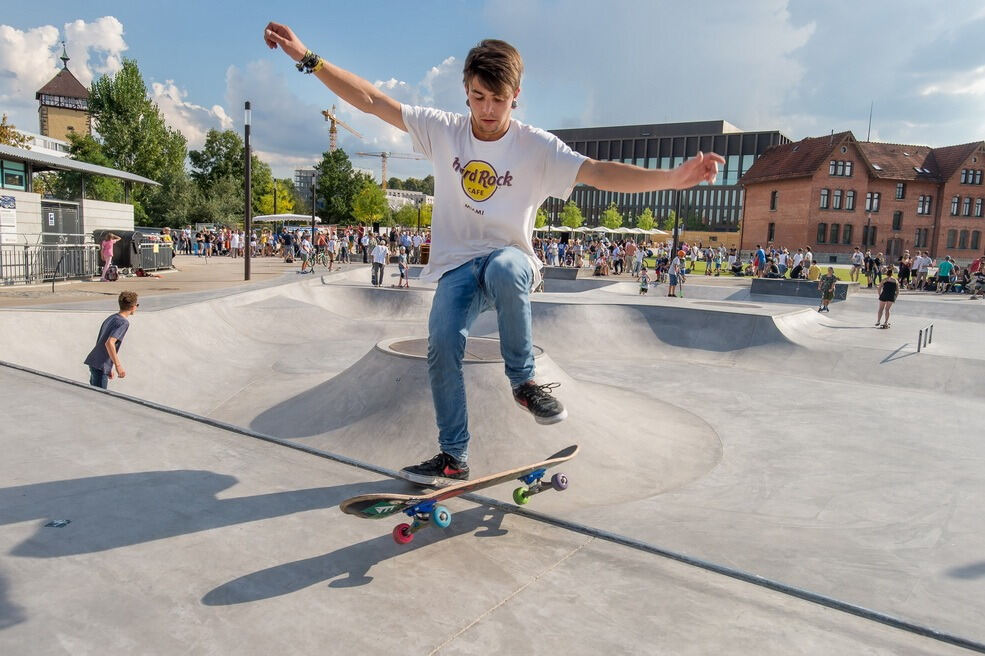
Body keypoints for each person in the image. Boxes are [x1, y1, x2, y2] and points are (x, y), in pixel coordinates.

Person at [264, 23, 722, 483]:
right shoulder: (442, 130)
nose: (487, 110)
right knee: (441, 344)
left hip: (512, 261)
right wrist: (307, 57)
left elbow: (598, 171)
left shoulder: (535, 146)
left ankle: (524, 383)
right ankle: (453, 456)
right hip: (457, 267)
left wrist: (670, 179)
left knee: (504, 266)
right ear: (466, 91)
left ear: (515, 96)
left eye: (498, 100)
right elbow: (371, 100)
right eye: (479, 97)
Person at [83, 291, 138, 389]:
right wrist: (118, 366)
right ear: (133, 307)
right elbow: (109, 343)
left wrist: (108, 368)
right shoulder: (123, 323)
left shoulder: (112, 317)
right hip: (100, 365)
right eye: (137, 305)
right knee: (99, 399)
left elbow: (100, 340)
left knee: (94, 395)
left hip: (95, 362)